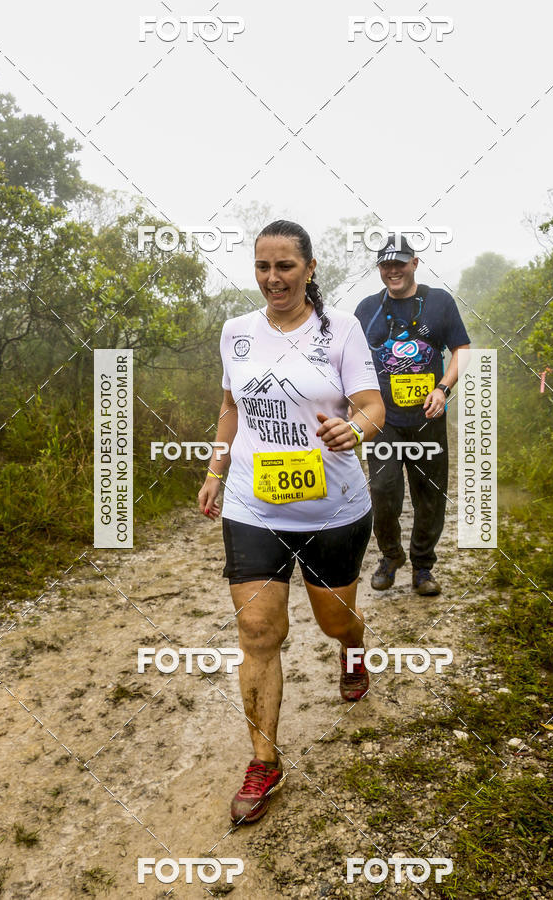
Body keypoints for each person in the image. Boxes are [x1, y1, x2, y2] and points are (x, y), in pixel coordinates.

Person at [198, 220, 385, 825]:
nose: (273, 278)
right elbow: (231, 408)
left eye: (285, 266)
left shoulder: (341, 330)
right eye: (263, 267)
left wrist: (353, 428)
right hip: (253, 504)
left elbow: (372, 405)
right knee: (257, 631)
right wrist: (216, 472)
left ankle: (353, 649)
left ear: (308, 269)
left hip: (333, 507)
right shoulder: (236, 332)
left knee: (335, 620)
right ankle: (264, 760)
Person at [354, 234, 470, 595]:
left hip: (428, 420)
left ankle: (422, 567)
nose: (393, 270)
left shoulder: (440, 302)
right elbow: (351, 360)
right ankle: (390, 556)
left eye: (399, 263)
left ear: (414, 263)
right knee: (383, 490)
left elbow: (462, 349)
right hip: (382, 421)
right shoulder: (365, 309)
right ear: (379, 269)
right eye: (386, 265)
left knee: (429, 496)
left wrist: (444, 388)